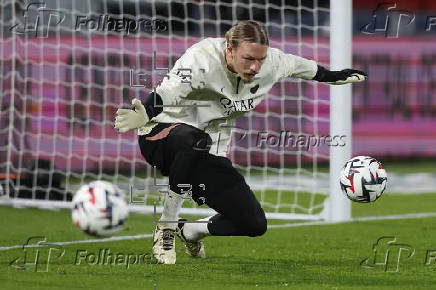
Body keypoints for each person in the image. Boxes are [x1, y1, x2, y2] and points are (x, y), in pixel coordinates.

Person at [114, 20, 366, 264]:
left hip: (206, 151)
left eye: (260, 59)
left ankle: (189, 231)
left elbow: (307, 68)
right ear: (230, 49)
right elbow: (168, 91)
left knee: (253, 223)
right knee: (195, 139)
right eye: (249, 59)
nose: (256, 67)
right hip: (160, 135)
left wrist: (333, 76)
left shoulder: (272, 63)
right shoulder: (201, 59)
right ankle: (166, 226)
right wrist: (146, 112)